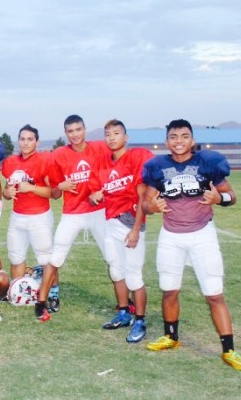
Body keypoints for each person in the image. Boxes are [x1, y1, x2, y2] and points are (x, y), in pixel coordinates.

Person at [142, 119, 241, 371]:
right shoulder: (157, 167)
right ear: (166, 141)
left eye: (184, 136)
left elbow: (231, 196)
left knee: (214, 293)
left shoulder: (207, 163)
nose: (179, 141)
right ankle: (171, 336)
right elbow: (146, 203)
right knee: (169, 289)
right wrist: (152, 207)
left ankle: (229, 350)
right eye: (174, 136)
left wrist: (218, 198)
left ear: (192, 140)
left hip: (202, 234)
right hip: (171, 235)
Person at [35, 115, 117, 322]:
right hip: (73, 212)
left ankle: (124, 303)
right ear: (66, 133)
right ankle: (41, 300)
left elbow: (118, 168)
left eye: (78, 130)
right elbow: (54, 192)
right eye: (70, 131)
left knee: (113, 257)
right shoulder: (59, 155)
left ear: (85, 129)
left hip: (98, 210)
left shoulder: (100, 147)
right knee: (56, 257)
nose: (75, 135)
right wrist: (59, 186)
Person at [88, 119, 154, 343]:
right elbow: (96, 193)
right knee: (116, 271)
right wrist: (94, 196)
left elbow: (142, 196)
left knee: (134, 274)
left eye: (116, 133)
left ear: (126, 137)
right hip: (110, 222)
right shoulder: (103, 164)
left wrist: (136, 229)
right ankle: (124, 312)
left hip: (130, 222)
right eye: (108, 134)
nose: (112, 137)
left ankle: (141, 320)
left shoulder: (136, 157)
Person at [1, 125, 53, 281]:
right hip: (17, 216)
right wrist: (7, 193)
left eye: (30, 139)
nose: (25, 143)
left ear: (37, 142)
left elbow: (54, 192)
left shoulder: (44, 160)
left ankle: (52, 293)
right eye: (22, 139)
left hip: (40, 216)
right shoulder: (10, 162)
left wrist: (31, 188)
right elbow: (6, 191)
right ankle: (17, 290)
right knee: (15, 256)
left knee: (46, 259)